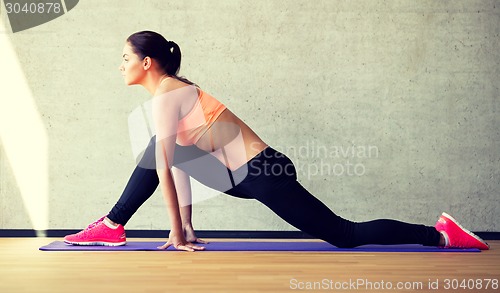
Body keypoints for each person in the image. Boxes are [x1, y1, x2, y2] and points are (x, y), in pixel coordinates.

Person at [64, 31, 489, 251]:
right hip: (242, 174)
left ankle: (439, 234)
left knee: (343, 233)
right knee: (161, 146)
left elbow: (164, 168)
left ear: (147, 62)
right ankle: (114, 224)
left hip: (265, 172)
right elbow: (174, 162)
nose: (120, 66)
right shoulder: (172, 94)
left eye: (124, 58)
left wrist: (175, 233)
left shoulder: (168, 94)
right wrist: (188, 227)